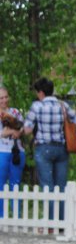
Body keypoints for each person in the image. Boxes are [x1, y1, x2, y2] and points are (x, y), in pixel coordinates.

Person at [23, 77, 76, 221]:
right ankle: (61, 222)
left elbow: (27, 130)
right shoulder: (63, 105)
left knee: (47, 187)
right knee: (61, 187)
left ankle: (50, 223)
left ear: (41, 92)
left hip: (44, 148)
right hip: (61, 149)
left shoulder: (37, 106)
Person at [0, 87, 26, 216]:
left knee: (15, 184)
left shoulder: (15, 112)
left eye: (6, 97)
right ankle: (1, 216)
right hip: (1, 152)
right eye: (1, 98)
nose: (4, 100)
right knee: (0, 184)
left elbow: (24, 127)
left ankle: (17, 216)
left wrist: (19, 132)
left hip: (17, 151)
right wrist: (11, 131)